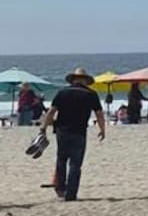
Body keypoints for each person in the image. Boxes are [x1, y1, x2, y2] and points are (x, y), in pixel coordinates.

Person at [39, 68, 105, 201]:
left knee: (61, 160)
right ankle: (71, 194)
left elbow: (51, 111)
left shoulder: (62, 92)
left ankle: (61, 189)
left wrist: (43, 127)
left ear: (73, 79)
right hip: (79, 131)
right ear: (86, 80)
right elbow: (99, 114)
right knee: (75, 163)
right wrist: (102, 129)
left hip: (62, 131)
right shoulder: (91, 94)